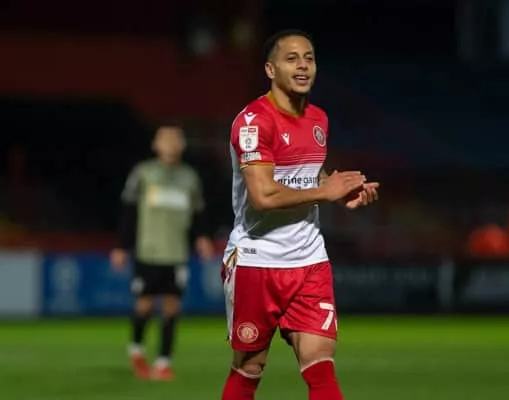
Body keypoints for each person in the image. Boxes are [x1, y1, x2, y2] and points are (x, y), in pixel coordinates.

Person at [221, 29, 379, 400]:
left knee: (320, 365)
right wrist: (325, 192)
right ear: (270, 69)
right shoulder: (253, 122)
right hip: (257, 260)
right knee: (249, 368)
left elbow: (309, 175)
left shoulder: (319, 119)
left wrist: (340, 191)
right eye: (291, 59)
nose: (303, 66)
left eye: (309, 58)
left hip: (309, 260)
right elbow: (263, 195)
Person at [110, 124, 214, 381]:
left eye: (176, 139)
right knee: (144, 305)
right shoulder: (144, 173)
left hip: (176, 253)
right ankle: (137, 349)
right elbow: (129, 210)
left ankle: (163, 362)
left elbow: (198, 211)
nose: (171, 144)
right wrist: (122, 246)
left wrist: (202, 238)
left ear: (182, 145)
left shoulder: (189, 177)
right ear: (156, 145)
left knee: (171, 307)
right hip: (148, 251)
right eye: (166, 139)